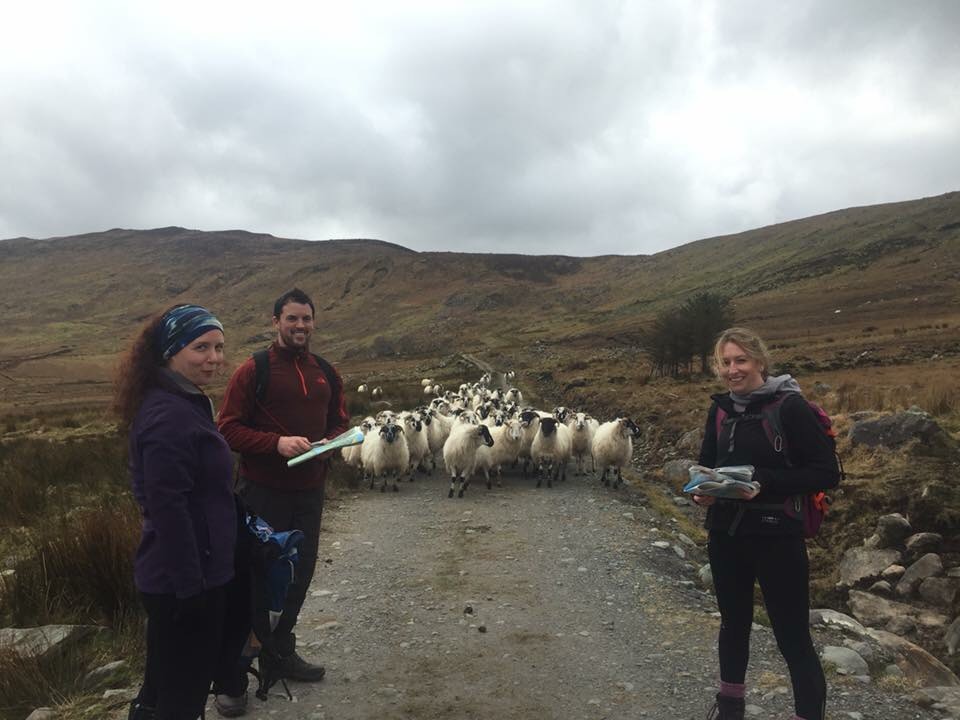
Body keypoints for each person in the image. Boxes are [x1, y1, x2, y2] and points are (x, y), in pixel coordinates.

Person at [693, 327, 841, 720]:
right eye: (725, 362)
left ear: (759, 361)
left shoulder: (790, 407)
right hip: (726, 534)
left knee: (792, 636)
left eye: (740, 360)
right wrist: (702, 491)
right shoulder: (720, 410)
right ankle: (729, 709)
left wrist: (764, 481)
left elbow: (826, 472)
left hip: (778, 537)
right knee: (733, 625)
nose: (732, 369)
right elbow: (708, 463)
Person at [218, 288, 349, 687]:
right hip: (262, 492)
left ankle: (279, 653)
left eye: (306, 318)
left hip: (309, 492)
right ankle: (233, 676)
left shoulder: (325, 371)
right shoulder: (254, 370)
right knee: (254, 578)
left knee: (299, 573)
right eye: (292, 318)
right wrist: (275, 443)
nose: (300, 325)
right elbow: (227, 428)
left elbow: (339, 421)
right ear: (276, 321)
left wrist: (333, 442)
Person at [115, 304, 237, 720]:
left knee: (164, 686)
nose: (214, 358)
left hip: (189, 574)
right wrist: (191, 590)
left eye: (219, 347)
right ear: (170, 352)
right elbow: (168, 507)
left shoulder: (182, 401)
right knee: (182, 696)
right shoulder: (169, 416)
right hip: (185, 583)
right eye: (200, 347)